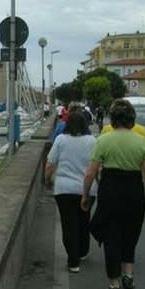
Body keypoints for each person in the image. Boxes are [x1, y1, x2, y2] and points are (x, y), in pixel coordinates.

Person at [81, 99, 145, 289]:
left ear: (113, 118)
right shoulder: (142, 142)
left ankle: (114, 283)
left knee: (111, 237)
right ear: (132, 119)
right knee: (130, 233)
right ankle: (128, 275)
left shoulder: (103, 140)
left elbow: (90, 173)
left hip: (110, 191)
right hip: (134, 192)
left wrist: (85, 195)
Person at [45, 111, 97, 273]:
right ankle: (83, 251)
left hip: (64, 189)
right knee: (83, 220)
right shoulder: (92, 141)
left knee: (69, 225)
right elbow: (97, 165)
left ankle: (73, 262)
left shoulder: (61, 140)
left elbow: (50, 163)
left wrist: (47, 180)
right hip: (87, 189)